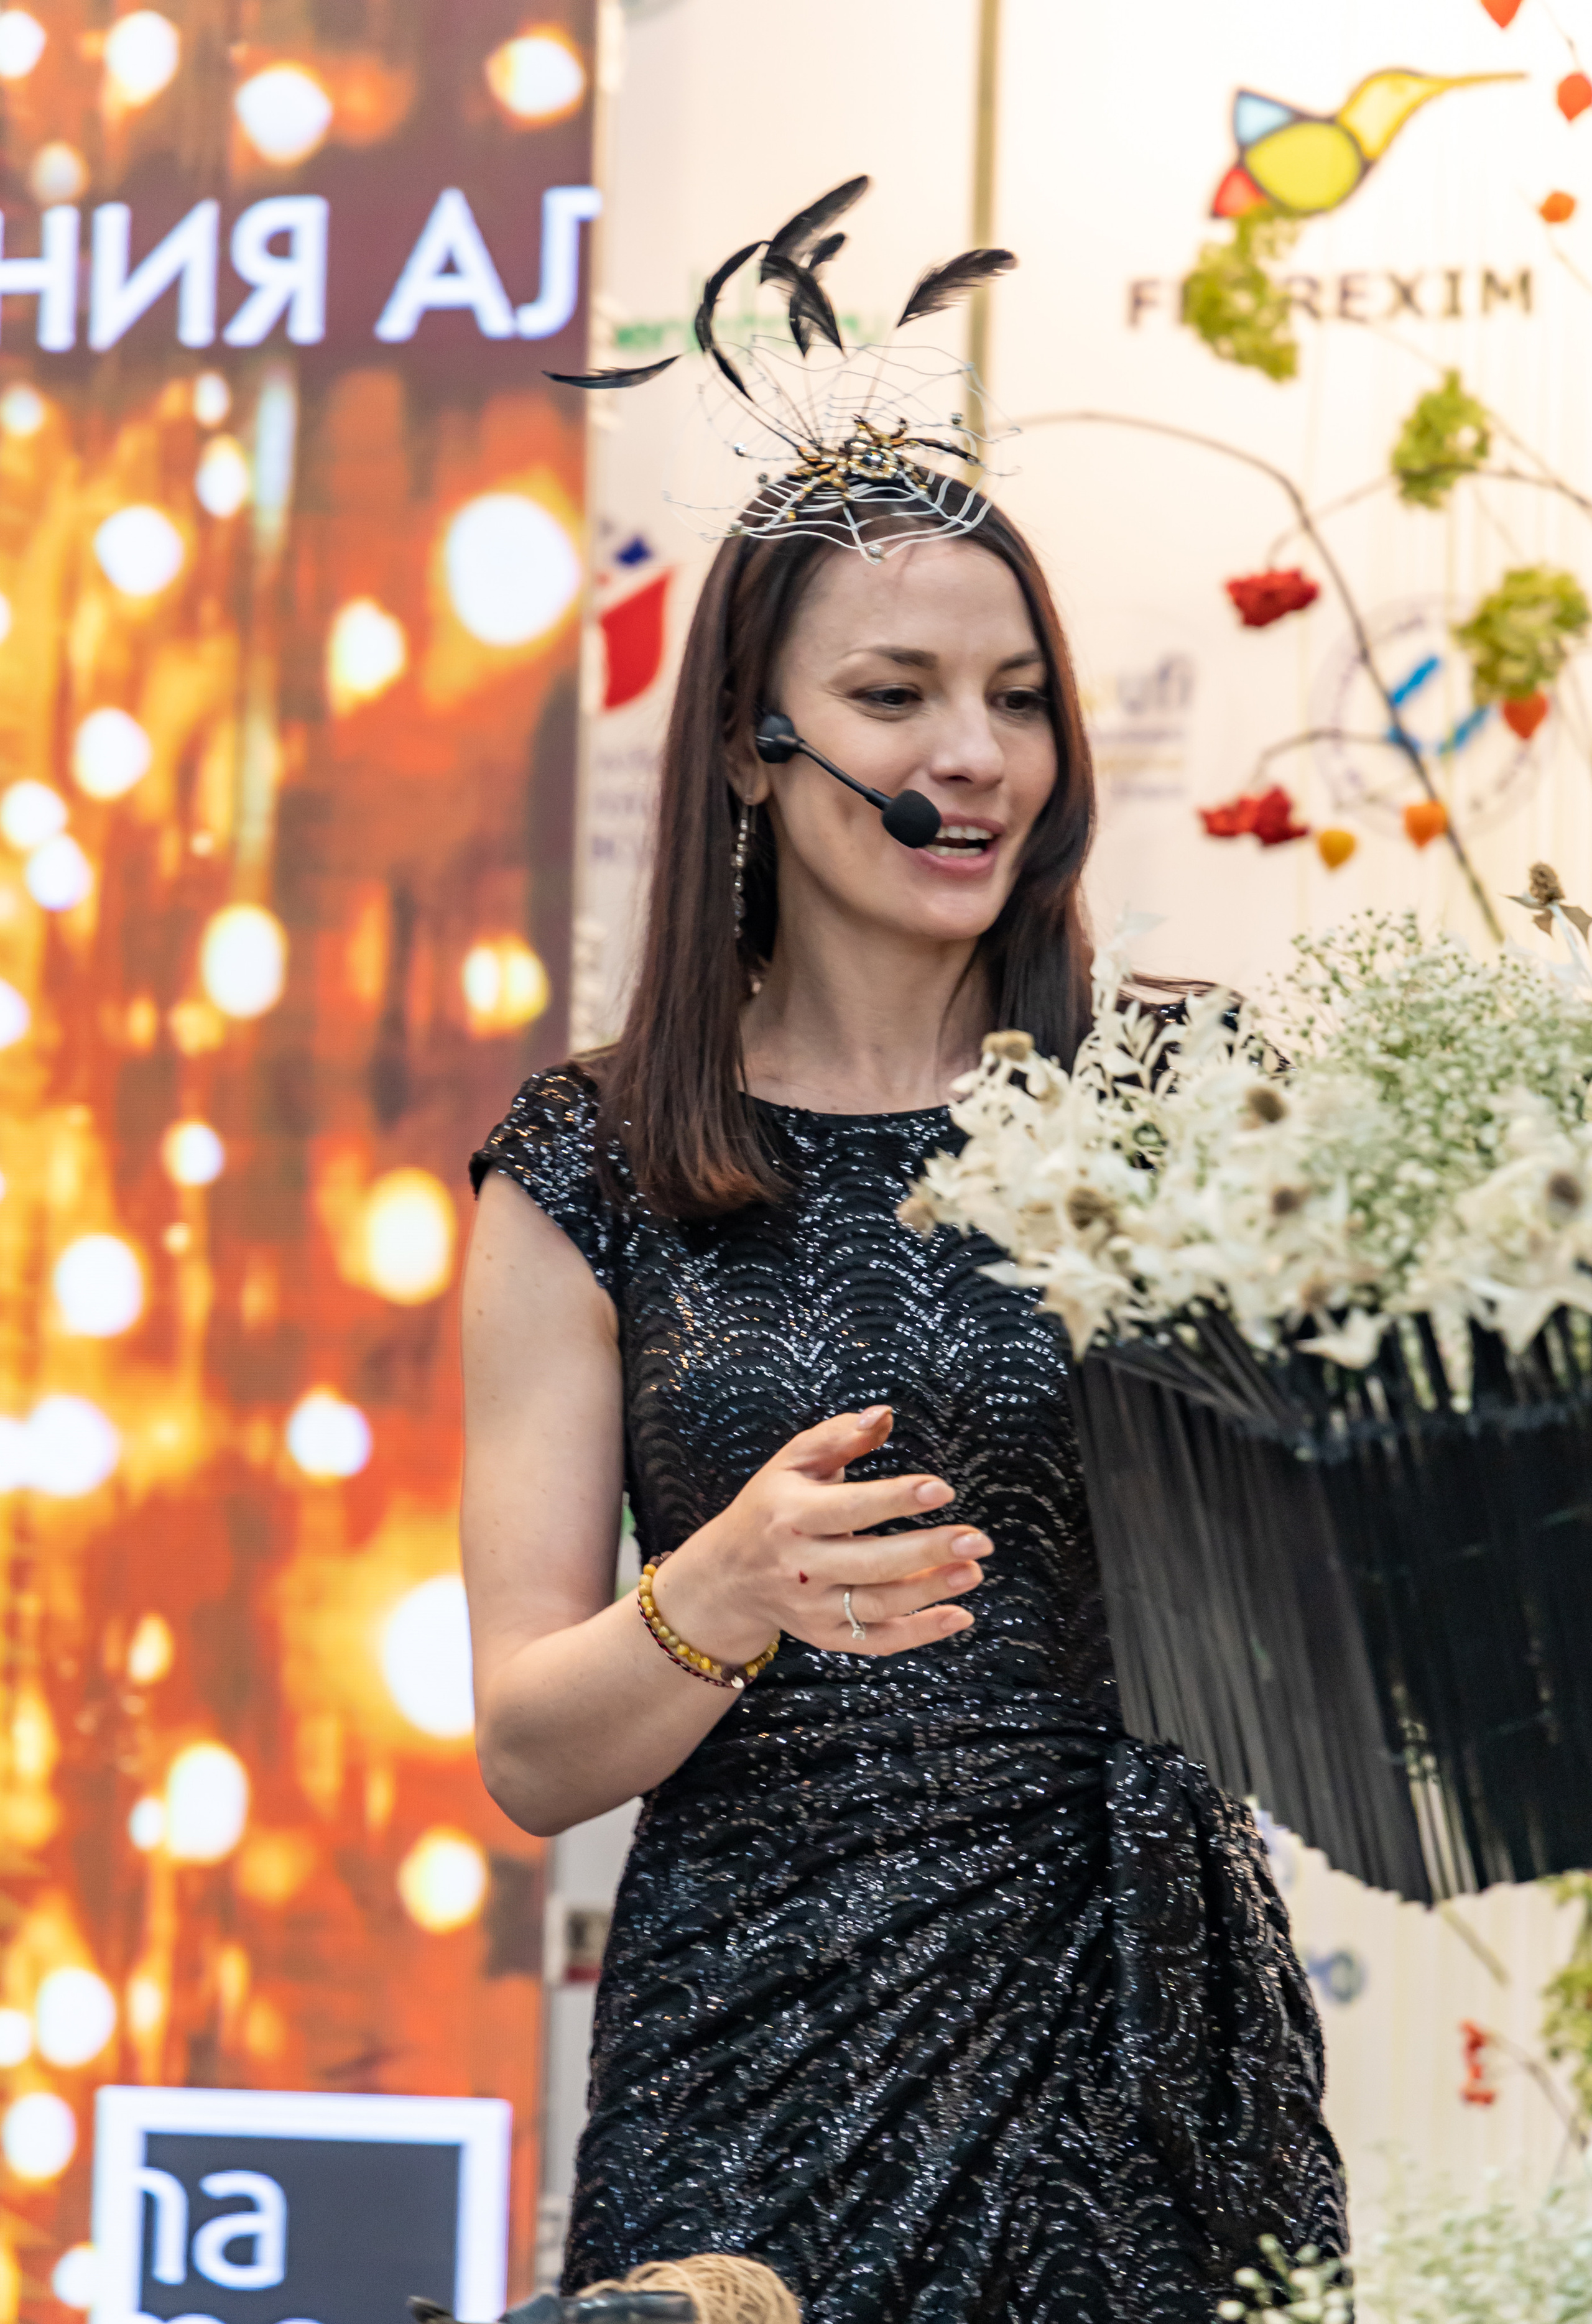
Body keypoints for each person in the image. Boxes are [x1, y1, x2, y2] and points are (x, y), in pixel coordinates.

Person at [461, 479, 1346, 2322]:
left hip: (1140, 2044)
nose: (976, 754)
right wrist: (719, 1591)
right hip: (752, 2069)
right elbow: (532, 1752)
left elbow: (1345, 1597)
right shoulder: (590, 1159)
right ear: (747, 742)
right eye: (895, 695)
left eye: (1019, 698)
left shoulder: (1186, 1091)